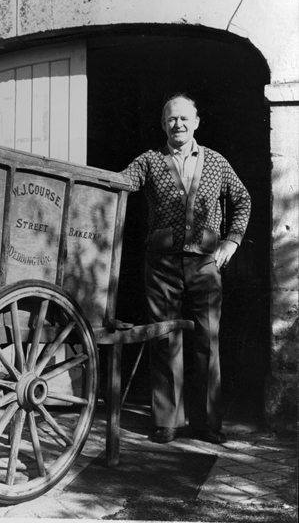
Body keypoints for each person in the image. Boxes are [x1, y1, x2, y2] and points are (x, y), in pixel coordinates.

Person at [121, 94, 251, 445]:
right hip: (161, 265)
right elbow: (119, 184)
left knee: (206, 341)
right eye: (170, 119)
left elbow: (242, 198)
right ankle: (167, 421)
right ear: (163, 125)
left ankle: (208, 423)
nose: (177, 124)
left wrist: (232, 241)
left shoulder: (217, 162)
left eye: (183, 119)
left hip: (205, 265)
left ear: (195, 123)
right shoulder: (149, 160)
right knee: (164, 339)